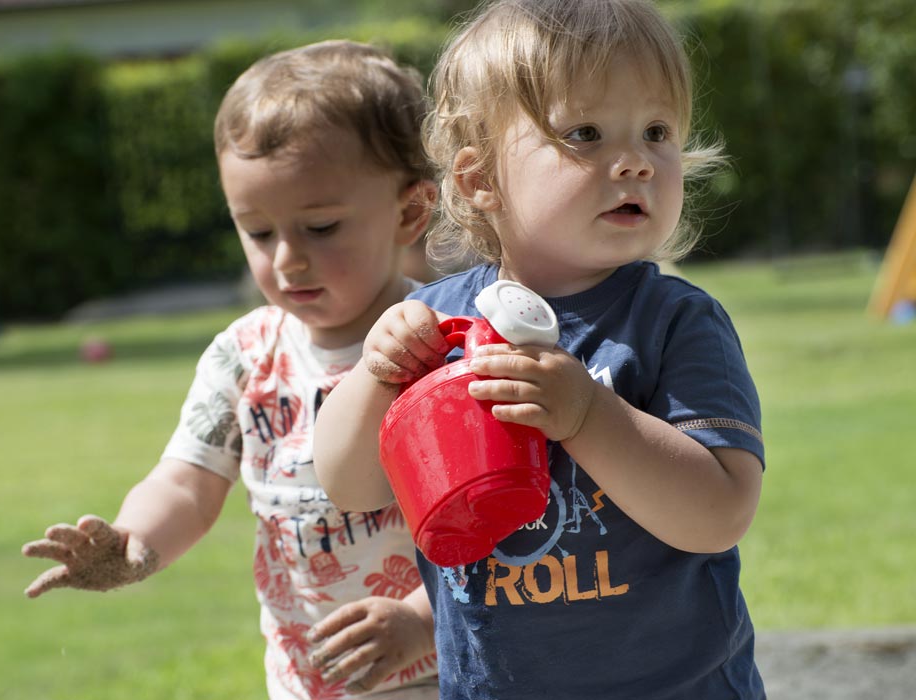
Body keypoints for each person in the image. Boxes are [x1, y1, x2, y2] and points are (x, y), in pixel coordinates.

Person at [313, 1, 766, 698]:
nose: (636, 162)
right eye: (586, 133)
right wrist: (378, 376)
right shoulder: (437, 324)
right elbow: (350, 485)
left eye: (657, 132)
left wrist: (588, 414)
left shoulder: (674, 322)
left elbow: (719, 513)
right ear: (480, 180)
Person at [22, 40, 440, 700]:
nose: (286, 262)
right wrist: (135, 542)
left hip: (444, 670)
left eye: (321, 227)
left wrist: (422, 620)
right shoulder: (244, 356)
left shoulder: (444, 344)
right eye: (259, 232)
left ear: (410, 212)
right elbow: (187, 482)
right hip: (306, 681)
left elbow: (504, 521)